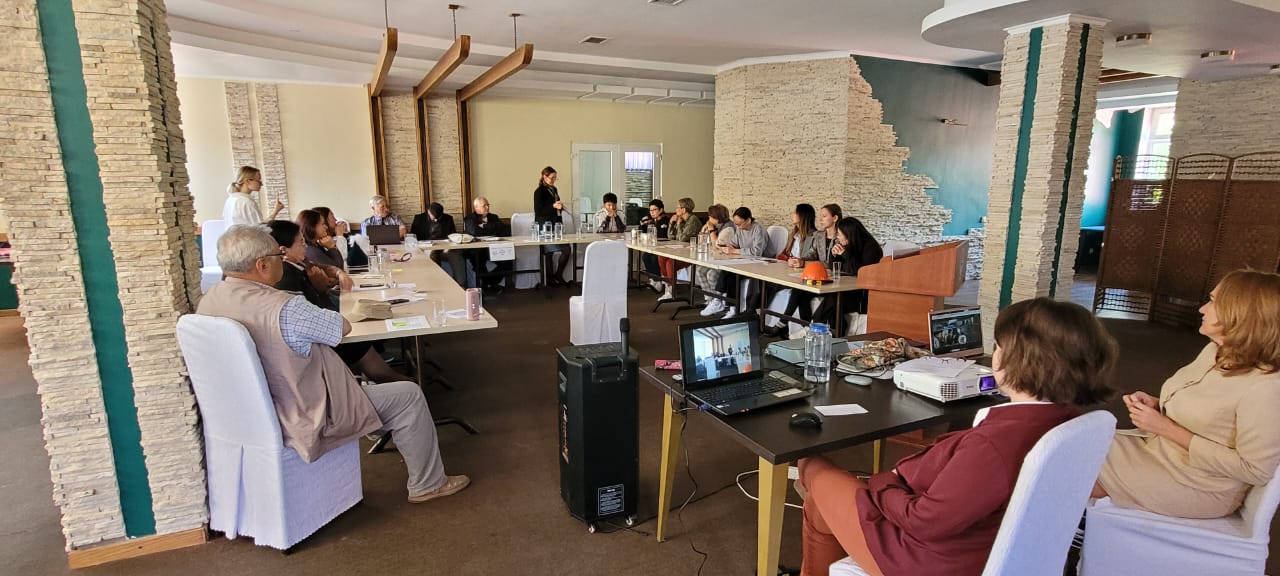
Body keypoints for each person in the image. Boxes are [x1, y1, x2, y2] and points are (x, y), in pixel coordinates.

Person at [797, 297, 1117, 576]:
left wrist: (882, 484)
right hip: (984, 545)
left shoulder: (994, 445)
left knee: (812, 466)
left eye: (998, 347)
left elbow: (925, 522)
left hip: (927, 558)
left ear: (1014, 360)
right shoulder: (1067, 423)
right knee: (820, 504)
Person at [199, 224, 470, 503]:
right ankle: (428, 484)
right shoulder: (284, 307)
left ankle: (377, 426)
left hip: (245, 414)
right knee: (408, 396)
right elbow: (340, 327)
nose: (283, 258)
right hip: (304, 411)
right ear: (262, 265)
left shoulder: (207, 303)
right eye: (278, 254)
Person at [1092, 269, 1280, 519]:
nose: (1202, 309)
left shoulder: (1265, 387)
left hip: (1196, 484)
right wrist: (1158, 406)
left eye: (1213, 302)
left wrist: (1166, 428)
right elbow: (1209, 415)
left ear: (1241, 314)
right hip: (1156, 451)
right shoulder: (1216, 351)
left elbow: (1255, 470)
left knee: (1067, 469)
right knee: (1070, 448)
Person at [266, 220, 408, 384]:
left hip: (325, 331)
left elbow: (329, 268)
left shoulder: (300, 263)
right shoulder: (286, 278)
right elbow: (313, 313)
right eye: (301, 242)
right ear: (283, 250)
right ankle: (397, 381)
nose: (305, 246)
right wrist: (322, 288)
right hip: (318, 347)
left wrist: (339, 274)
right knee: (359, 339)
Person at [811, 216, 883, 329]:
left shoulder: (871, 248)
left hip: (861, 293)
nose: (838, 237)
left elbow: (861, 272)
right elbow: (834, 268)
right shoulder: (849, 244)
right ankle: (832, 329)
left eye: (840, 234)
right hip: (846, 287)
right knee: (806, 294)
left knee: (833, 299)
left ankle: (814, 327)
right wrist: (834, 255)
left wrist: (845, 254)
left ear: (849, 234)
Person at [705, 207, 770, 319]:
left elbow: (757, 252)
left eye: (739, 224)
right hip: (745, 261)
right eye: (735, 224)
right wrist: (726, 247)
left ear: (748, 220)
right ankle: (724, 303)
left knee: (733, 275)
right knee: (727, 271)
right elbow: (735, 243)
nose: (737, 227)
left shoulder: (758, 230)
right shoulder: (739, 229)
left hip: (760, 263)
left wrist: (735, 251)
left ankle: (726, 304)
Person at [765, 204, 817, 336]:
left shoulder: (813, 236)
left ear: (802, 216)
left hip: (802, 274)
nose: (792, 215)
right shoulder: (794, 234)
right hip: (789, 271)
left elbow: (808, 258)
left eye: (795, 212)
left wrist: (797, 261)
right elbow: (785, 254)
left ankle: (781, 323)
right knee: (766, 281)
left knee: (796, 289)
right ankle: (761, 316)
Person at [656, 197, 703, 302]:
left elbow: (682, 239)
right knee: (661, 257)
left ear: (684, 209)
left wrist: (678, 224)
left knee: (670, 262)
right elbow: (671, 237)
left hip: (691, 253)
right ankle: (668, 286)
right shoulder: (681, 219)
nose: (675, 209)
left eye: (678, 207)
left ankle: (671, 290)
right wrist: (671, 223)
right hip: (681, 251)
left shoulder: (693, 220)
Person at [411, 202, 468, 287]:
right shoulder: (419, 219)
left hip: (444, 248)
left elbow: (452, 236)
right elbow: (412, 237)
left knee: (455, 254)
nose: (436, 220)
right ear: (428, 212)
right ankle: (434, 284)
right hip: (426, 249)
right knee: (431, 255)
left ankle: (461, 285)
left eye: (438, 218)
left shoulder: (448, 219)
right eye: (434, 217)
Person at [464, 196, 511, 293]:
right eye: (484, 205)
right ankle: (490, 285)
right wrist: (491, 228)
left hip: (494, 248)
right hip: (477, 250)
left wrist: (484, 226)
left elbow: (503, 230)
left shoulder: (494, 217)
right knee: (478, 262)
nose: (487, 207)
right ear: (476, 207)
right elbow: (474, 232)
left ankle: (488, 283)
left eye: (488, 205)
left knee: (508, 261)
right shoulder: (469, 218)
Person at [532, 166, 571, 286]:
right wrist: (553, 206)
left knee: (567, 249)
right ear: (545, 177)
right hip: (544, 225)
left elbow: (555, 207)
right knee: (549, 253)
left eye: (555, 178)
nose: (554, 180)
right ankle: (550, 280)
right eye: (552, 177)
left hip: (555, 224)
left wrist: (560, 208)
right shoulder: (539, 191)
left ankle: (558, 274)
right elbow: (538, 210)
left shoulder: (554, 189)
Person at [696, 204, 733, 316]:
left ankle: (718, 300)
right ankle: (709, 299)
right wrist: (704, 230)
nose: (708, 219)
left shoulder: (728, 228)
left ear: (717, 217)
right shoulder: (718, 226)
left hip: (727, 260)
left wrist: (711, 230)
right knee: (700, 270)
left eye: (710, 216)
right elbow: (701, 242)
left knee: (711, 274)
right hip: (716, 257)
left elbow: (717, 245)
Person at [639, 199, 672, 293]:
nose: (652, 212)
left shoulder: (665, 219)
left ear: (661, 210)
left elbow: (662, 235)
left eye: (654, 210)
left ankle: (658, 280)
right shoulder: (651, 220)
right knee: (645, 256)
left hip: (665, 246)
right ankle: (653, 279)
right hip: (654, 246)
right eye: (650, 210)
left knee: (654, 258)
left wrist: (653, 224)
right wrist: (643, 224)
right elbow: (643, 233)